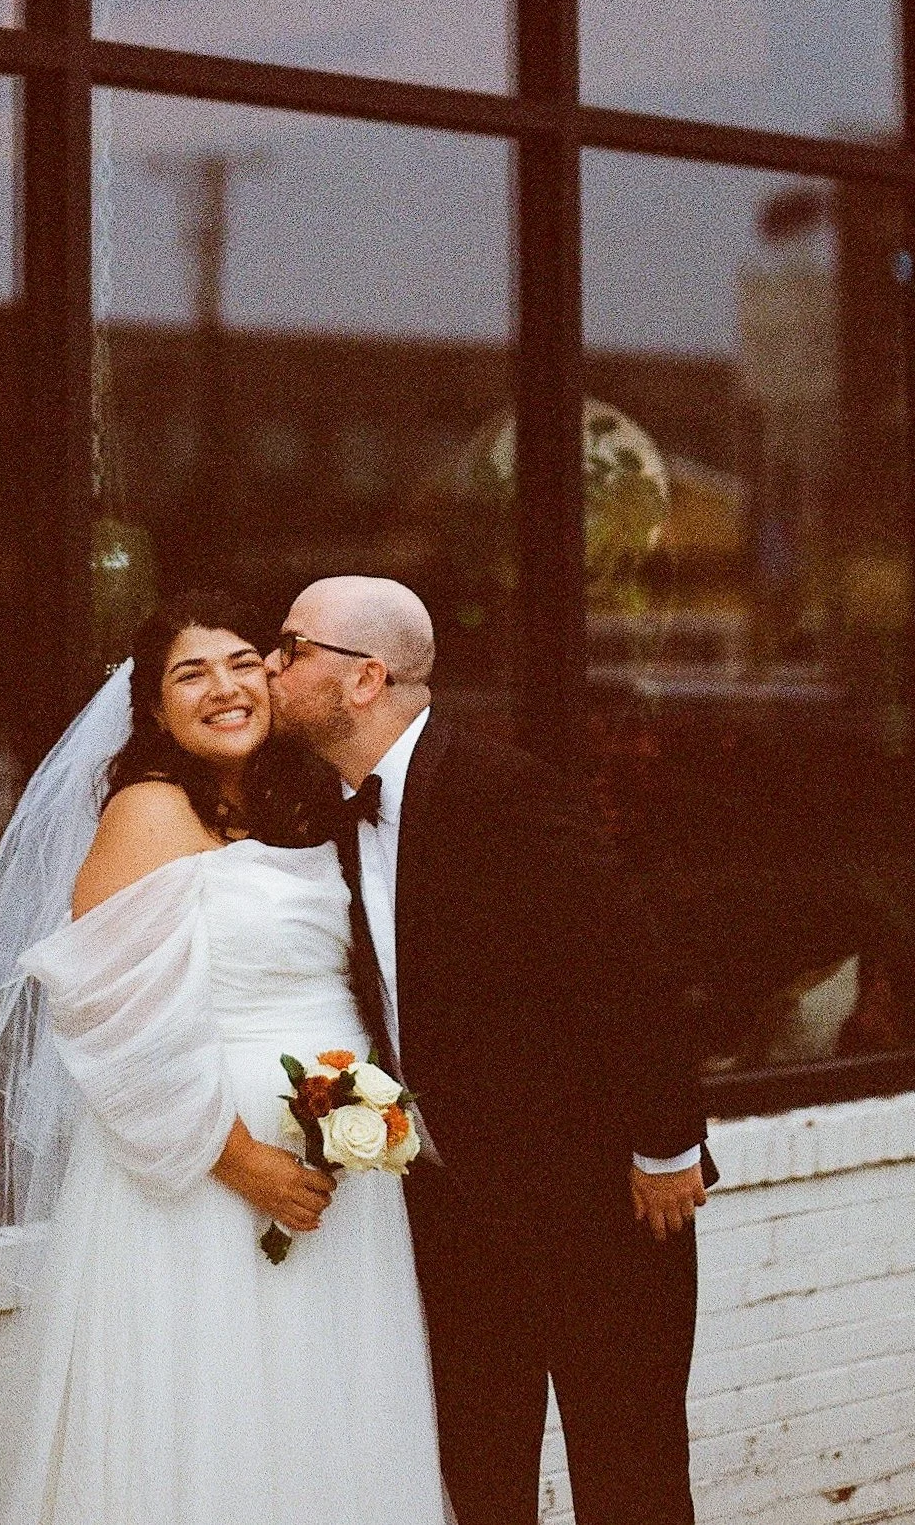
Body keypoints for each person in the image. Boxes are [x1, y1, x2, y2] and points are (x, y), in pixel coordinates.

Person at [0, 591, 449, 1525]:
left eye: (244, 662)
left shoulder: (302, 805)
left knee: (319, 1410)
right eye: (191, 673)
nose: (225, 688)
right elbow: (109, 1017)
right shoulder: (148, 810)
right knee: (210, 1407)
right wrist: (242, 1160)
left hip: (337, 1169)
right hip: (197, 1175)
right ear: (154, 709)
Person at [268, 574, 709, 1525]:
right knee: (477, 1487)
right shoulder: (312, 811)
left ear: (363, 679)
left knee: (630, 1483)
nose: (271, 667)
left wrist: (666, 1146)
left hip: (601, 1208)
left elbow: (634, 966)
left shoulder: (507, 792)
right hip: (454, 1217)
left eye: (292, 649)